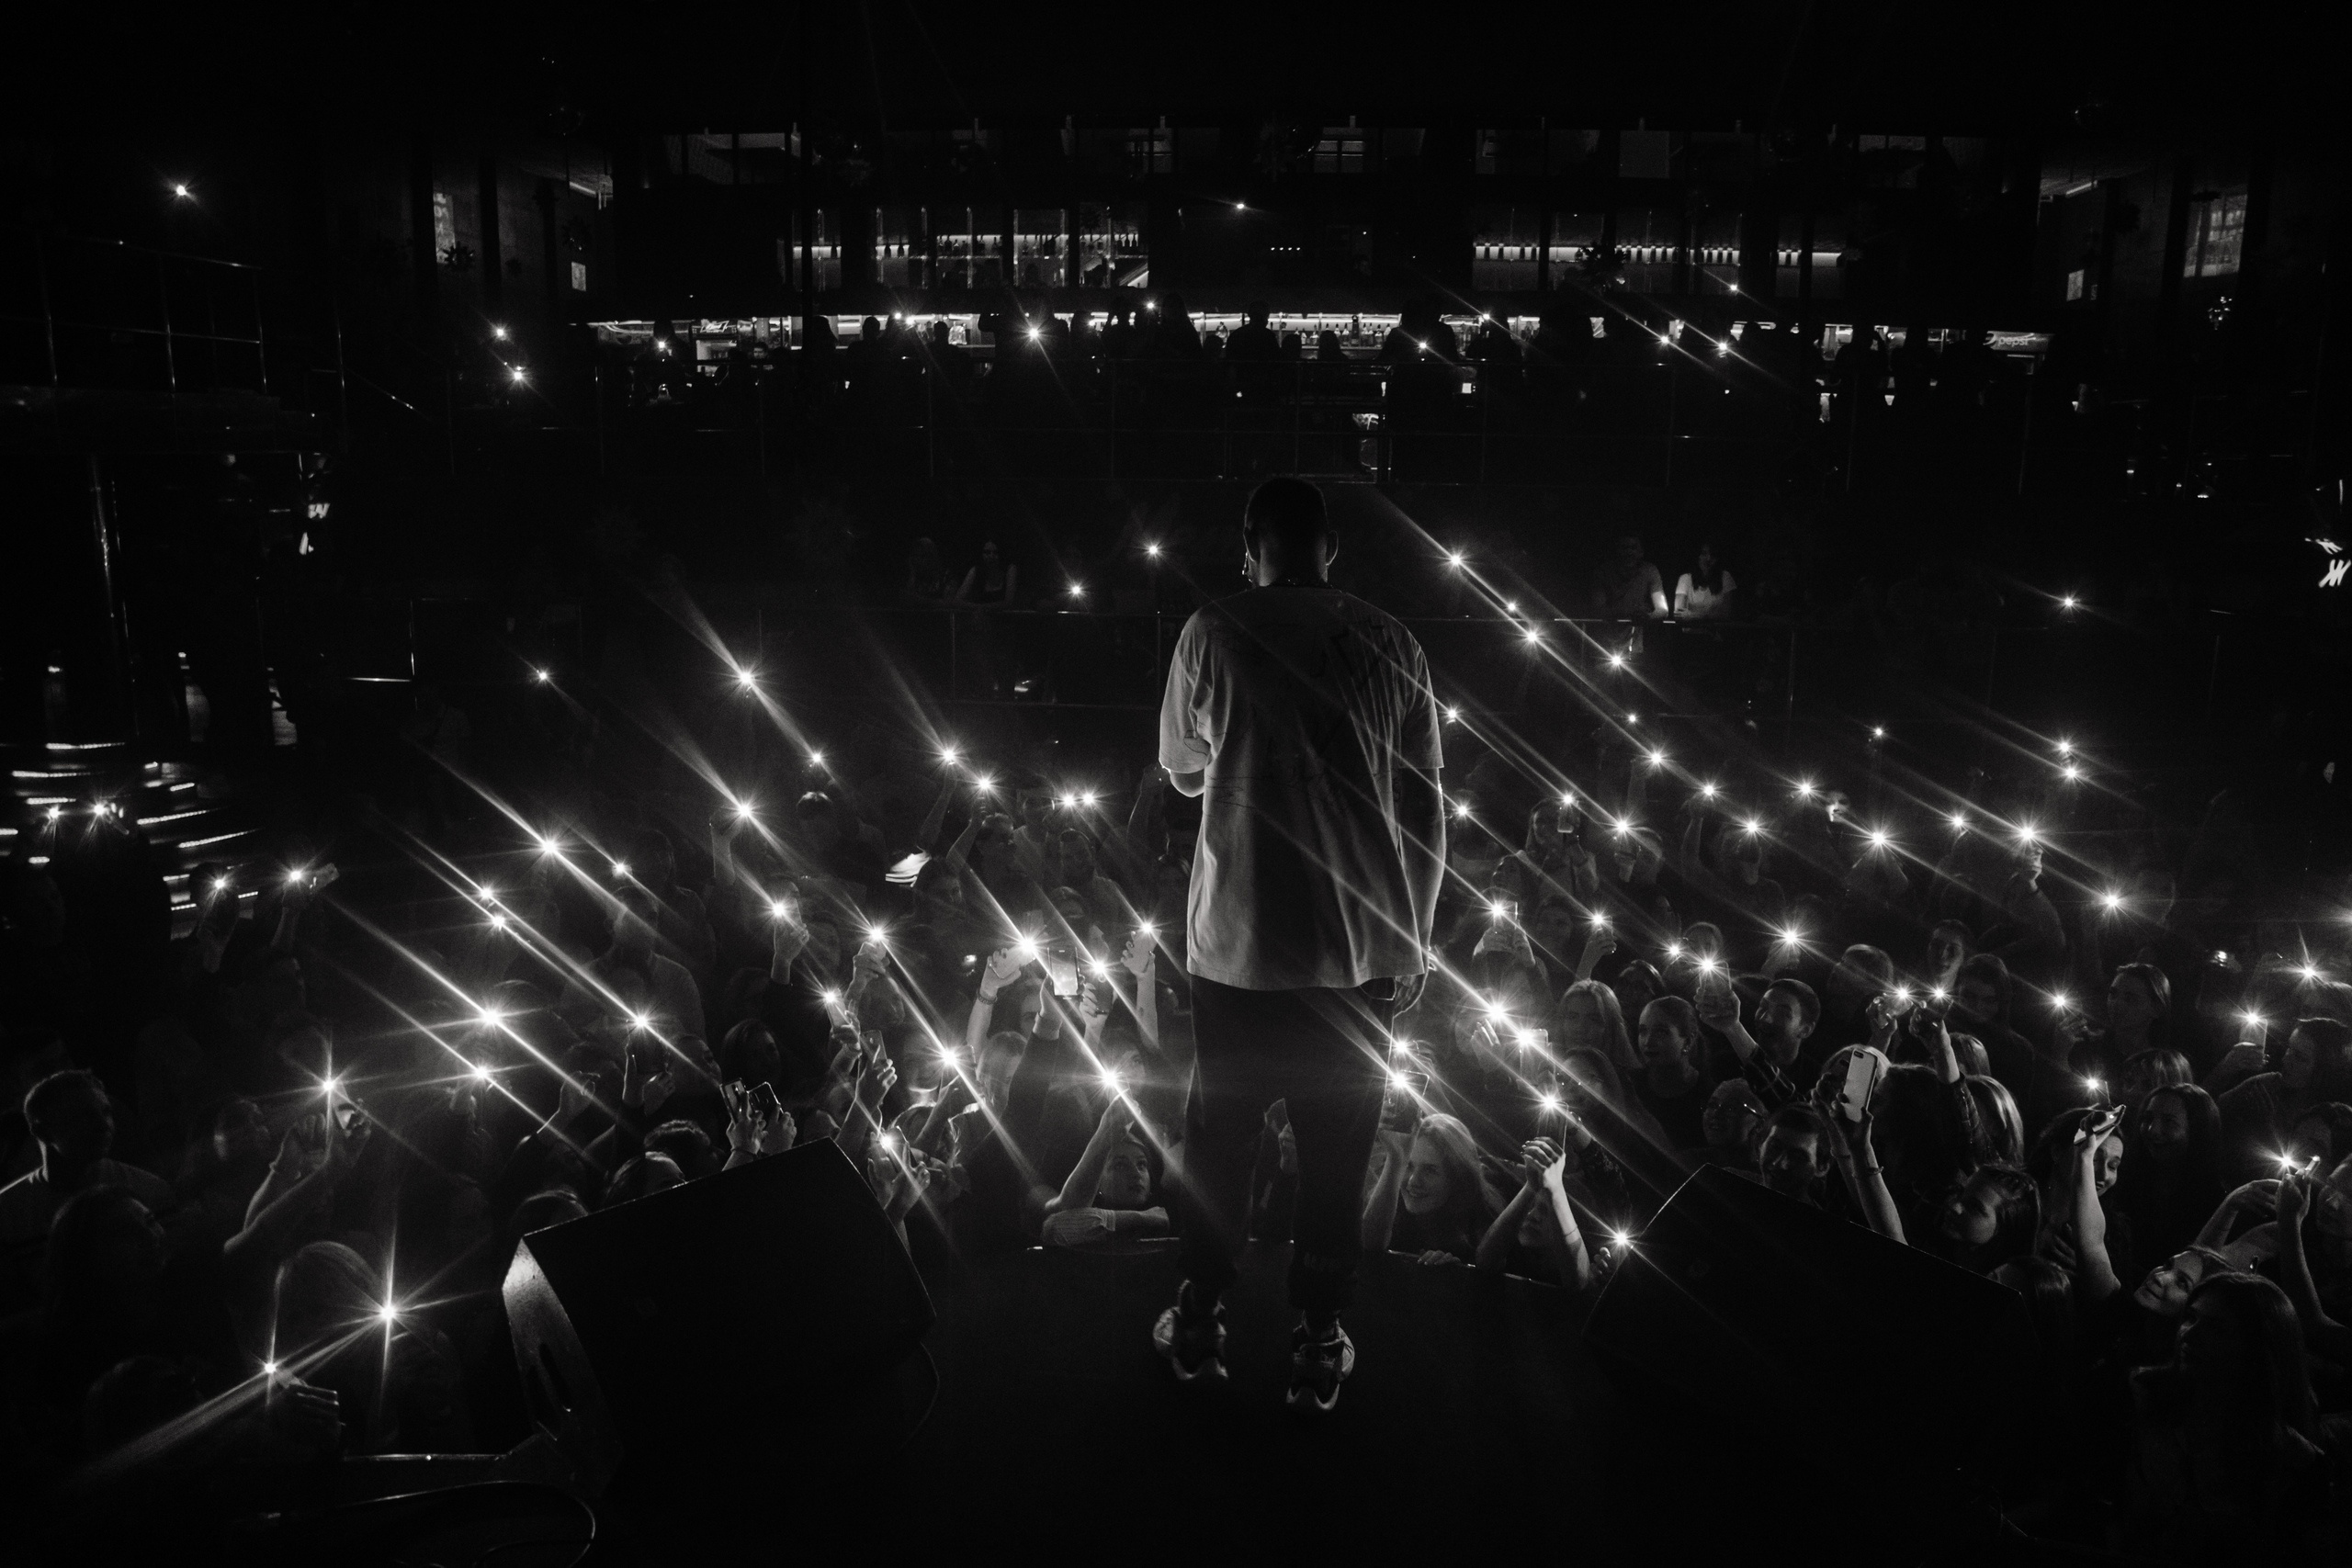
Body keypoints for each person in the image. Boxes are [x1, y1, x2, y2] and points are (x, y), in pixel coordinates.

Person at [1150, 475, 1446, 1412]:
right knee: (1337, 1150)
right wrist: (1418, 934)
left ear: (1251, 543)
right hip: (1357, 947)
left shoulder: (1210, 630)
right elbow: (1426, 803)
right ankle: (1318, 1338)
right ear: (1331, 548)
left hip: (1234, 944)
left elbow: (1181, 770)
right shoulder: (1392, 639)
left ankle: (1199, 1311)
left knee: (1218, 1140)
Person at [0, 1072, 177, 1315]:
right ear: (42, 1132)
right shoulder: (9, 1212)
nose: (103, 1124)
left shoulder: (150, 1191)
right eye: (82, 1116)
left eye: (106, 1112)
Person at [1588, 533, 1668, 620]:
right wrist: (1627, 612)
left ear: (1641, 552)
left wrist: (1647, 617)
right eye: (1624, 548)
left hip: (1639, 630)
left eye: (1633, 548)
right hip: (1609, 629)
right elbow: (1597, 609)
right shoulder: (1603, 572)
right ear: (1616, 550)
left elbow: (1663, 610)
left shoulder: (1650, 570)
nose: (1629, 552)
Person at [1672, 541, 1736, 619]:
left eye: (1712, 555)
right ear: (1697, 556)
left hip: (1717, 631)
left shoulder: (1725, 577)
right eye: (1704, 554)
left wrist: (1695, 616)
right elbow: (1679, 613)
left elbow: (1726, 613)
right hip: (1690, 631)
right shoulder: (1685, 579)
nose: (1708, 558)